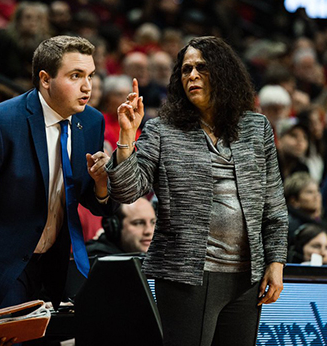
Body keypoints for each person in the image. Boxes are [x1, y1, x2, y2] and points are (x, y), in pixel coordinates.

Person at [105, 36, 287, 346]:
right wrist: (126, 136)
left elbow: (274, 205)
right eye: (186, 69)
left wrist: (276, 262)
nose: (191, 76)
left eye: (201, 68)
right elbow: (127, 190)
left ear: (224, 73)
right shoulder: (162, 130)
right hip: (185, 275)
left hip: (247, 277)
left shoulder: (257, 128)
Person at [0, 36, 117, 316]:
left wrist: (101, 186)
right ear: (45, 79)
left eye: (91, 75)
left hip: (54, 266)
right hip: (0, 267)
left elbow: (91, 201)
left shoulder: (91, 121)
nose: (87, 87)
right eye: (76, 76)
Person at [86, 197, 156, 256]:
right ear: (115, 226)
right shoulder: (99, 257)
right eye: (138, 223)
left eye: (153, 222)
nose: (149, 231)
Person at [283, 172, 322, 243]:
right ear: (294, 201)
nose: (317, 196)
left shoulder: (315, 221)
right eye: (309, 192)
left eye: (317, 191)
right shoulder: (291, 227)